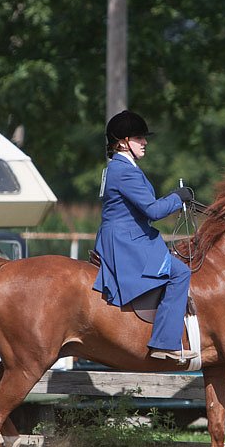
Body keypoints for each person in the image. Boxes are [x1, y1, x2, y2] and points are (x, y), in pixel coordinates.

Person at [93, 110, 196, 360]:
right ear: (122, 142)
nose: (145, 142)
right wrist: (177, 197)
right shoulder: (124, 170)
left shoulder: (117, 167)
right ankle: (164, 342)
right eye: (139, 138)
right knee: (180, 273)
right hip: (127, 241)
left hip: (124, 234)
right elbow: (152, 210)